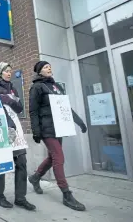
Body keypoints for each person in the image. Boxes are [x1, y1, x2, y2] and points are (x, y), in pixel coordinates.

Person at [28, 61, 87, 212]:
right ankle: (67, 194)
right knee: (59, 158)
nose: (49, 68)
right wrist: (36, 131)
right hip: (47, 128)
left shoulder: (56, 87)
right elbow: (33, 111)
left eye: (50, 66)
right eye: (46, 67)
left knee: (52, 157)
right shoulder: (37, 87)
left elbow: (65, 107)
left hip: (59, 127)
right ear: (39, 71)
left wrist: (79, 122)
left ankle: (35, 178)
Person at [0, 62, 36, 211]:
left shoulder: (13, 87)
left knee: (21, 162)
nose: (9, 73)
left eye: (10, 71)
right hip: (3, 127)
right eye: (6, 71)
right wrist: (9, 100)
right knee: (3, 164)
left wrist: (9, 100)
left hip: (15, 127)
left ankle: (20, 198)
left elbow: (19, 107)